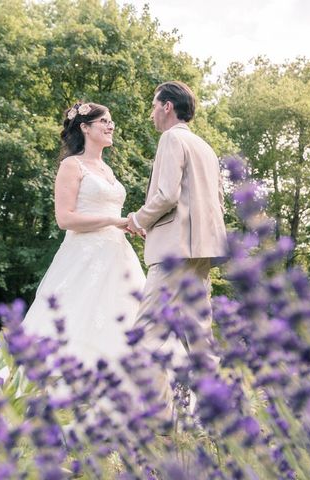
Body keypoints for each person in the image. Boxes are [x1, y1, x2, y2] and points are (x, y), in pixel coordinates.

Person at [126, 81, 228, 419]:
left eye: (154, 105)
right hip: (202, 252)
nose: (152, 113)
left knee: (145, 339)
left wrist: (140, 220)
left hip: (173, 253)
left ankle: (160, 421)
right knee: (200, 344)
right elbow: (218, 201)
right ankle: (219, 419)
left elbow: (167, 194)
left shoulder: (171, 138)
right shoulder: (205, 147)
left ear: (168, 106)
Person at [20, 102, 145, 366]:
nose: (111, 126)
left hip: (118, 255)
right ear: (85, 127)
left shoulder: (108, 170)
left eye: (111, 121)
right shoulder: (71, 166)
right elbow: (65, 219)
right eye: (104, 121)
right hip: (84, 254)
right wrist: (115, 220)